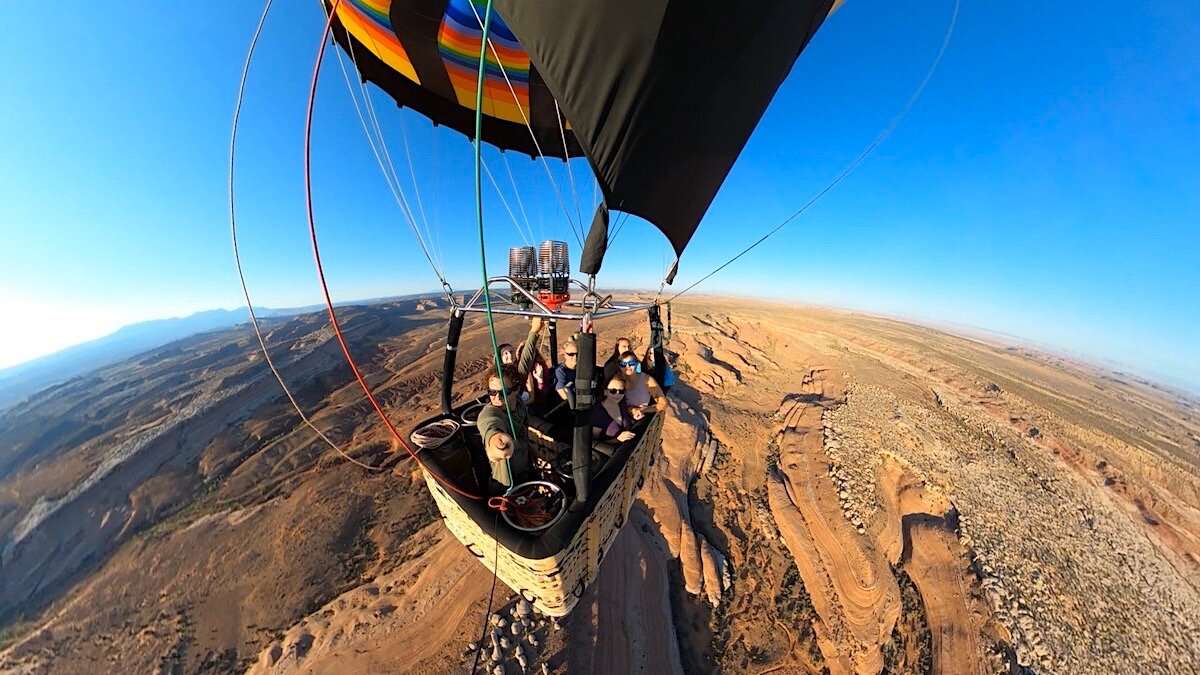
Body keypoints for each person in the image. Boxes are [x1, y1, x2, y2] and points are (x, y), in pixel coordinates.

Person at [476, 318, 544, 488]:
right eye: (491, 392)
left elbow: (525, 363)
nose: (497, 397)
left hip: (525, 472)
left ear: (515, 389)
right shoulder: (491, 413)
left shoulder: (518, 401)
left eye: (503, 392)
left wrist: (534, 331)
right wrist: (496, 444)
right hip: (505, 486)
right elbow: (490, 426)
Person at [592, 372, 641, 443]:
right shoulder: (597, 413)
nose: (617, 394)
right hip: (611, 452)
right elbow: (594, 443)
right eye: (613, 391)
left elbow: (629, 411)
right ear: (605, 392)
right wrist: (617, 439)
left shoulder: (622, 403)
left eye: (621, 391)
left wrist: (634, 413)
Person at [616, 350, 667, 415]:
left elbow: (663, 404)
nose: (627, 366)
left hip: (639, 419)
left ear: (637, 364)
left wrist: (642, 410)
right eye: (623, 364)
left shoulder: (647, 380)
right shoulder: (615, 380)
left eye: (631, 363)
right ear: (619, 366)